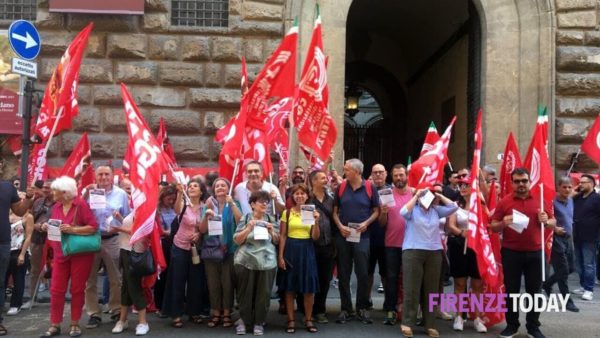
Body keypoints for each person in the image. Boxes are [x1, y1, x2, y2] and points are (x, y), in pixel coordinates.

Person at [490, 167, 556, 338]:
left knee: (535, 291)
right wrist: (503, 223)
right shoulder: (505, 202)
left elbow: (553, 222)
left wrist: (546, 220)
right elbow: (493, 226)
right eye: (517, 181)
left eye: (524, 181)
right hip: (511, 253)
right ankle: (512, 325)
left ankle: (533, 326)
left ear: (529, 181)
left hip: (536, 252)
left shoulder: (541, 200)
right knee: (511, 291)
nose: (521, 184)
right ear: (512, 183)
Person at [39, 176, 98, 338]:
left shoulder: (81, 205)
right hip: (60, 252)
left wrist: (73, 230)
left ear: (64, 192)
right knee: (56, 289)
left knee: (77, 289)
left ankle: (75, 323)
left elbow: (93, 227)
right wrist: (47, 225)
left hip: (80, 253)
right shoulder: (57, 206)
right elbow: (55, 225)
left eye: (55, 190)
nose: (52, 193)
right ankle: (55, 324)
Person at [400, 184, 458, 338]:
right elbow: (403, 211)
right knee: (412, 288)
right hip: (412, 251)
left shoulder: (436, 211)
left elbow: (454, 207)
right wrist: (416, 196)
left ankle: (430, 324)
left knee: (431, 289)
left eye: (430, 195)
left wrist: (439, 197)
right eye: (425, 195)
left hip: (434, 252)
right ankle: (407, 322)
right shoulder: (413, 210)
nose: (428, 198)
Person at [332, 158, 380, 324]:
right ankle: (346, 309)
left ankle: (361, 307)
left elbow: (376, 211)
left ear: (357, 172)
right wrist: (339, 226)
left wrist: (366, 223)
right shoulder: (341, 187)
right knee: (343, 274)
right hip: (343, 236)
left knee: (362, 274)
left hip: (362, 237)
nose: (344, 172)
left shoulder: (369, 187)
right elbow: (335, 212)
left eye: (347, 169)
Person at [83, 166, 131, 329]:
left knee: (116, 278)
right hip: (91, 239)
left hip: (113, 239)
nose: (103, 177)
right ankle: (93, 313)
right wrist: (84, 194)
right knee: (90, 279)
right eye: (100, 174)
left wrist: (119, 220)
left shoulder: (121, 194)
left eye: (106, 174)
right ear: (95, 177)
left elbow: (127, 218)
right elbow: (79, 214)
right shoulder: (88, 192)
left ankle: (116, 309)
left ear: (112, 177)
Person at [162, 178, 209, 327]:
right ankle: (175, 314)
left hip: (196, 248)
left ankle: (194, 312)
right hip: (179, 247)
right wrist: (180, 193)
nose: (192, 188)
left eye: (195, 186)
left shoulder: (204, 207)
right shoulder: (183, 204)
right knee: (177, 280)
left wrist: (199, 235)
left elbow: (203, 228)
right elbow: (176, 210)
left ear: (201, 191)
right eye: (190, 186)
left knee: (196, 281)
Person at [233, 190, 279, 336]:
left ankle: (259, 322)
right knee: (244, 293)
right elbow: (237, 239)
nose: (264, 204)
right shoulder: (246, 218)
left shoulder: (271, 219)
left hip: (267, 262)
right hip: (246, 260)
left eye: (266, 201)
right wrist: (248, 228)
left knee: (263, 294)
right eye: (261, 201)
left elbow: (277, 240)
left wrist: (272, 231)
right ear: (252, 204)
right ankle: (244, 321)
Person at [199, 178, 242, 328]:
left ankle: (227, 313)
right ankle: (216, 312)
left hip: (229, 249)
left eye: (223, 185)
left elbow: (240, 221)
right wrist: (206, 214)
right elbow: (202, 230)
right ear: (213, 189)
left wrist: (232, 204)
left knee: (228, 282)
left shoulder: (234, 203)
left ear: (228, 188)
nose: (220, 188)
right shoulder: (208, 204)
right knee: (213, 283)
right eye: (217, 186)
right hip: (212, 250)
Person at [446, 176, 488, 332]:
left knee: (477, 284)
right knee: (460, 284)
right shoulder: (455, 206)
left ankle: (476, 317)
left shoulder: (480, 205)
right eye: (461, 185)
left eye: (467, 185)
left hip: (477, 248)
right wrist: (462, 233)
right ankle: (458, 316)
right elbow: (451, 225)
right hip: (459, 247)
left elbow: (488, 221)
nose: (463, 188)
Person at [278, 183, 320, 333]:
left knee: (308, 288)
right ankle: (291, 320)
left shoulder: (311, 211)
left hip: (307, 250)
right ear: (292, 196)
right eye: (296, 193)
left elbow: (315, 237)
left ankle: (308, 319)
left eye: (302, 193)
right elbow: (282, 236)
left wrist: (316, 221)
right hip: (290, 250)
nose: (300, 196)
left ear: (307, 196)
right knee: (290, 288)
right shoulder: (287, 213)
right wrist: (280, 256)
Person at [0, 174, 34, 336]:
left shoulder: (7, 187)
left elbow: (20, 211)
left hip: (3, 243)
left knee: (1, 283)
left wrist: (28, 197)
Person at [379, 164, 413, 325]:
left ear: (406, 176)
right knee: (391, 278)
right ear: (392, 178)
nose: (399, 178)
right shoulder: (386, 195)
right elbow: (381, 223)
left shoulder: (415, 194)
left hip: (412, 244)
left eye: (401, 175)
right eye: (396, 176)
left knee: (410, 279)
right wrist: (383, 213)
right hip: (391, 244)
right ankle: (391, 310)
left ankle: (410, 311)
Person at [110, 212, 150, 336]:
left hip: (135, 252)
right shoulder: (135, 208)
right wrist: (120, 219)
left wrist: (118, 228)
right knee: (126, 287)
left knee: (134, 286)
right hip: (125, 249)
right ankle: (123, 320)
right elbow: (132, 226)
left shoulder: (145, 208)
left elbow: (141, 232)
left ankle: (143, 322)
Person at [543, 177, 579, 312]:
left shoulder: (570, 200)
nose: (567, 189)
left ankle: (547, 284)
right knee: (563, 271)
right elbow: (544, 221)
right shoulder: (551, 202)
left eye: (570, 187)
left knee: (571, 268)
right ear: (558, 187)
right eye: (564, 187)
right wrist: (554, 228)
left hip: (569, 239)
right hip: (556, 239)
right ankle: (567, 301)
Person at [308, 170, 335, 324]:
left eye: (326, 178)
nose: (326, 180)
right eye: (322, 178)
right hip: (310, 245)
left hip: (328, 245)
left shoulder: (331, 200)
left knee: (325, 279)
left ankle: (320, 310)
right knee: (311, 278)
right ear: (314, 181)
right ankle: (307, 309)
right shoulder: (307, 200)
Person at [571, 173, 600, 301]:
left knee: (589, 264)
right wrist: (574, 191)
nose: (580, 184)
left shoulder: (597, 198)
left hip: (591, 237)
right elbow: (567, 200)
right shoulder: (578, 198)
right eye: (580, 182)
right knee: (579, 264)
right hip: (577, 235)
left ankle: (589, 289)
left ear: (591, 184)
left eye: (583, 182)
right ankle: (583, 285)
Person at [30, 179, 55, 305]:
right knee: (35, 269)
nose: (45, 190)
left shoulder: (60, 204)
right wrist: (38, 226)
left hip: (53, 241)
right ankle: (31, 299)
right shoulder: (37, 202)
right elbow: (28, 221)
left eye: (48, 187)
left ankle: (55, 299)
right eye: (44, 187)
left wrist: (49, 225)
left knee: (54, 270)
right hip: (36, 239)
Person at [154, 184, 178, 318]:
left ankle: (171, 303)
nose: (171, 201)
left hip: (174, 242)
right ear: (162, 197)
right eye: (168, 199)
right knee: (162, 275)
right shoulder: (157, 210)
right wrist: (171, 232)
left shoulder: (175, 208)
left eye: (173, 199)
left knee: (173, 275)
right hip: (162, 244)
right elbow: (161, 230)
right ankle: (159, 305)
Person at [5, 207, 33, 316]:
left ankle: (15, 304)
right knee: (3, 278)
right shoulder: (6, 214)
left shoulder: (28, 217)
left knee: (18, 279)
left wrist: (22, 254)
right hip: (5, 249)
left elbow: (28, 236)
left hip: (18, 250)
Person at [368, 164, 389, 306]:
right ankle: (367, 299)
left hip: (388, 239)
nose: (378, 175)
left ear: (386, 174)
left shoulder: (392, 191)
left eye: (381, 172)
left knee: (386, 272)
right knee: (368, 272)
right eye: (375, 173)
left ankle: (388, 302)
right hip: (368, 237)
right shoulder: (366, 190)